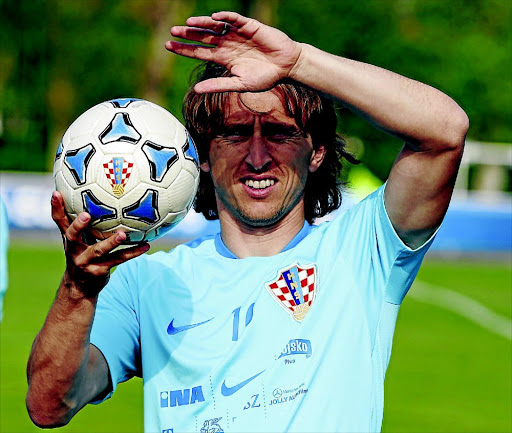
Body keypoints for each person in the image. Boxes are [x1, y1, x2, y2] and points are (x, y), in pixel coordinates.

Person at [26, 11, 468, 432]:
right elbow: (49, 404)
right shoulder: (148, 282)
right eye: (235, 134)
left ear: (316, 152)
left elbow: (444, 130)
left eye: (279, 133)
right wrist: (77, 288)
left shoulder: (364, 251)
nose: (257, 158)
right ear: (199, 156)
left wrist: (299, 61)